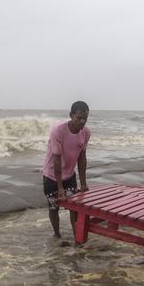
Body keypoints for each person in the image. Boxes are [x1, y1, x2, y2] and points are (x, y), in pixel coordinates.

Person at [43, 101, 91, 238]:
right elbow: (56, 160)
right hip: (52, 176)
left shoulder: (86, 132)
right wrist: (59, 188)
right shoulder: (58, 131)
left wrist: (83, 183)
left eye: (85, 118)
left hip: (69, 175)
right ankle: (57, 234)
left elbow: (82, 158)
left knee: (74, 207)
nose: (82, 122)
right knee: (54, 207)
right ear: (71, 115)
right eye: (79, 118)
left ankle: (77, 234)